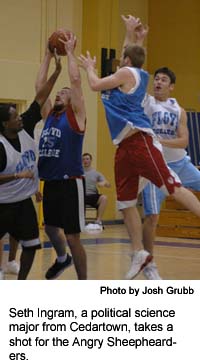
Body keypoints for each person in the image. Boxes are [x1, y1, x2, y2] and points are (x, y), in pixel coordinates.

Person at [79, 14, 200, 280]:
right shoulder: (129, 75)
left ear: (126, 62)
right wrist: (132, 34)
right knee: (125, 203)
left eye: (122, 57)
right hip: (123, 146)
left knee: (173, 186)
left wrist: (89, 66)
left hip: (141, 142)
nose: (119, 59)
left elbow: (95, 83)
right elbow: (128, 54)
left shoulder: (127, 74)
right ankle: (139, 254)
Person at [125, 18, 200, 279]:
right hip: (155, 167)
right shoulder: (145, 101)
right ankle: (148, 263)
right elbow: (132, 68)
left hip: (180, 162)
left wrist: (158, 140)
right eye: (155, 78)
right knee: (153, 218)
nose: (157, 82)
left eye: (163, 79)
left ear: (171, 86)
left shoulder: (178, 109)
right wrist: (137, 40)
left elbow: (183, 141)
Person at [0, 51, 62, 279]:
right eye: (15, 117)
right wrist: (18, 177)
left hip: (23, 202)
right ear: (6, 124)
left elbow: (40, 97)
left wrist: (56, 72)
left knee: (32, 244)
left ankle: (22, 282)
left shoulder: (25, 127)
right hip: (2, 202)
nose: (20, 118)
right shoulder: (1, 146)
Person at [37, 33, 87, 280]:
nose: (59, 93)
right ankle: (62, 258)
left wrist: (69, 52)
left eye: (64, 93)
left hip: (70, 181)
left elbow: (76, 80)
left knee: (72, 236)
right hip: (51, 182)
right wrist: (47, 55)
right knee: (50, 228)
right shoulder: (50, 117)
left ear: (72, 101)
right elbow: (39, 88)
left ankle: (84, 283)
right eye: (59, 92)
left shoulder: (75, 117)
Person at [82, 152, 110, 228]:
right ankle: (80, 221)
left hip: (92, 196)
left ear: (91, 160)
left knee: (104, 198)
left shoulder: (96, 173)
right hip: (81, 196)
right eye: (83, 159)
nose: (85, 161)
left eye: (87, 159)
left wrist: (103, 183)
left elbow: (108, 184)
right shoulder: (79, 172)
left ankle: (98, 221)